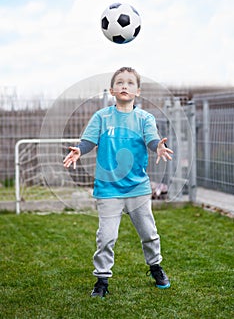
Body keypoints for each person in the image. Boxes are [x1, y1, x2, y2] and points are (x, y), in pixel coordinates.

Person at [63, 67, 173, 298]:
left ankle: (156, 267)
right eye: (120, 83)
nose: (125, 86)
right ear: (112, 90)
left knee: (149, 234)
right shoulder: (101, 117)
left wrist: (158, 147)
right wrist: (79, 151)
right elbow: (87, 141)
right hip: (108, 190)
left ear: (138, 91)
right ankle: (102, 280)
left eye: (130, 83)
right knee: (106, 238)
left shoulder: (145, 118)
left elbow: (152, 140)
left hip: (138, 189)